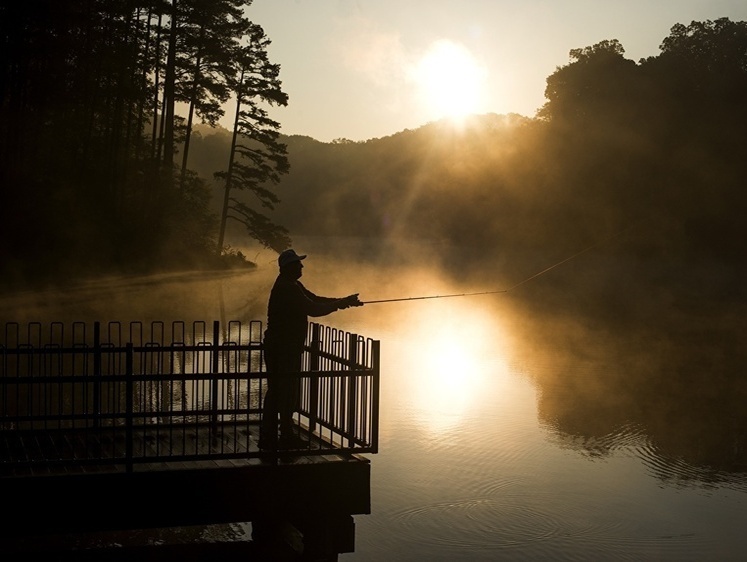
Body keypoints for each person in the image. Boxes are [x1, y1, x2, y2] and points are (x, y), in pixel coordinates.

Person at [260, 249, 363, 451]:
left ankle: (273, 435)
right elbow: (313, 309)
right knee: (284, 391)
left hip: (282, 346)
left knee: (279, 391)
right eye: (298, 264)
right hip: (283, 348)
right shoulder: (287, 288)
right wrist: (340, 304)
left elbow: (315, 299)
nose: (302, 267)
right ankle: (281, 436)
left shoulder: (292, 284)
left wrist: (343, 301)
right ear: (288, 267)